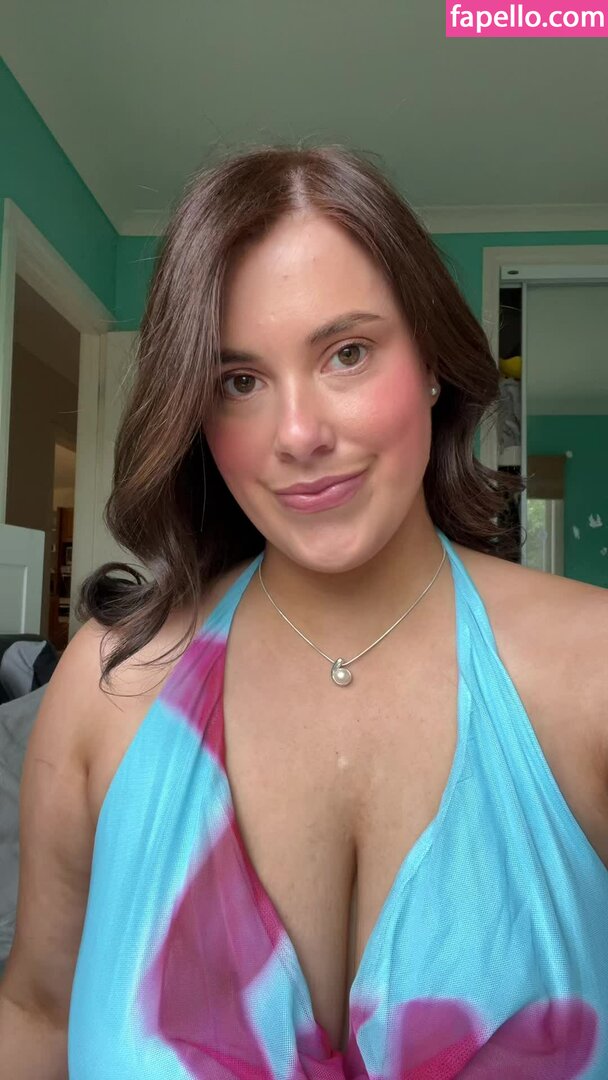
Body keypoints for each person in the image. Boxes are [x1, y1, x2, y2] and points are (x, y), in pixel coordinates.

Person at [0, 144, 606, 1080]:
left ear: (433, 364)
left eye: (347, 353)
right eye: (239, 381)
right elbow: (35, 1018)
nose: (298, 434)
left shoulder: (592, 674)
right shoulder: (108, 687)